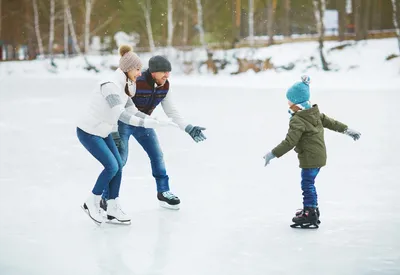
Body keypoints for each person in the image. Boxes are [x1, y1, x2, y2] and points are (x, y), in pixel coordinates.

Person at [77, 45, 170, 224]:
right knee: (112, 166)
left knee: (118, 165)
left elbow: (132, 109)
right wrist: (145, 123)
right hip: (89, 131)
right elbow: (121, 114)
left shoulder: (125, 86)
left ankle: (112, 207)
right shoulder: (110, 86)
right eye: (137, 69)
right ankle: (92, 202)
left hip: (103, 131)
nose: (139, 73)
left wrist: (154, 120)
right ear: (127, 69)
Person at [101, 55, 206, 210]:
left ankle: (163, 192)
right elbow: (116, 106)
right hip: (123, 123)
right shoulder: (136, 81)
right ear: (153, 72)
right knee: (119, 161)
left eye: (168, 72)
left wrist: (188, 128)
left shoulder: (165, 85)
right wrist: (114, 130)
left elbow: (171, 111)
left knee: (157, 156)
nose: (167, 75)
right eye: (164, 71)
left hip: (144, 123)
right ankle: (105, 197)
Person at [263, 75, 361, 228]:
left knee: (307, 184)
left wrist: (273, 154)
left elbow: (290, 141)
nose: (288, 103)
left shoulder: (298, 120)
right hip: (318, 155)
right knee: (309, 184)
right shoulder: (314, 113)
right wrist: (348, 130)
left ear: (297, 103)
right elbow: (333, 123)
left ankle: (310, 212)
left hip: (310, 158)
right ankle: (312, 209)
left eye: (290, 100)